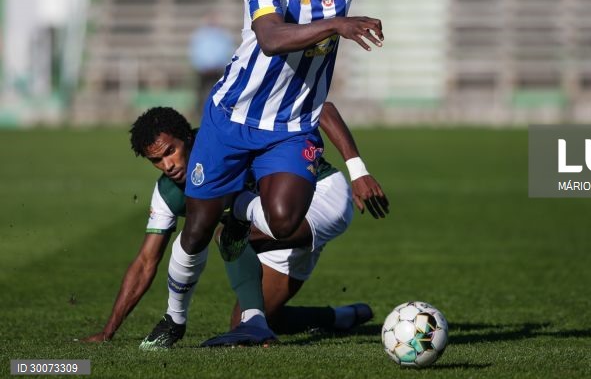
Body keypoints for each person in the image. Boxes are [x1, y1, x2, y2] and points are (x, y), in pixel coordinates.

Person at [142, 0, 461, 348]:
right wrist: (336, 25)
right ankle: (174, 319)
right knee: (195, 230)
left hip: (290, 126)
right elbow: (271, 38)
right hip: (232, 118)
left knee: (284, 220)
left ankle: (238, 215)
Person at [81, 105, 386, 347]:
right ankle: (342, 317)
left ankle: (255, 324)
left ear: (188, 138)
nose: (167, 165)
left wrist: (358, 172)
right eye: (156, 160)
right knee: (246, 319)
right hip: (270, 226)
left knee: (227, 234)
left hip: (322, 195)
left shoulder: (226, 136)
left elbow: (322, 108)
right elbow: (146, 262)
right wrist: (109, 331)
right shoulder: (168, 193)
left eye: (170, 151)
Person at [188, 14, 235, 116]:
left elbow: (227, 51)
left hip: (218, 69)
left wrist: (219, 65)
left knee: (220, 91)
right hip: (203, 70)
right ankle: (199, 111)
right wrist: (202, 65)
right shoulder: (199, 35)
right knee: (201, 92)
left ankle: (219, 111)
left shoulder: (223, 35)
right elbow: (195, 52)